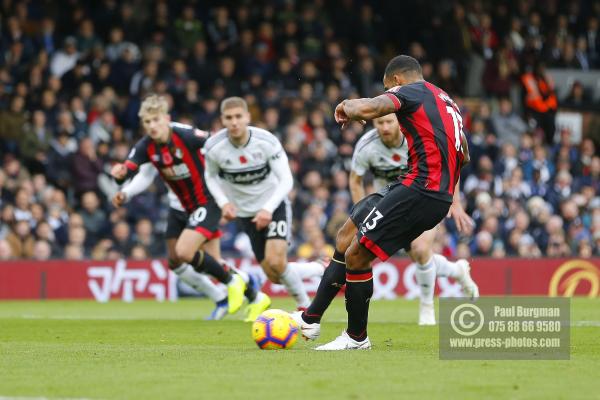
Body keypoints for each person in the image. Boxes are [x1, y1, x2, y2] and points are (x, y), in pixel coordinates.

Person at [314, 55, 472, 350]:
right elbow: (463, 153)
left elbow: (369, 107)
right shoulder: (446, 100)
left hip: (420, 188)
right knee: (355, 242)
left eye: (389, 88)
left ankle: (356, 338)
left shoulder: (410, 90)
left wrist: (346, 105)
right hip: (436, 194)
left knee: (357, 254)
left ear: (396, 81)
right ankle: (321, 321)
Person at [291, 113, 478, 336]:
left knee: (419, 250)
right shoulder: (367, 145)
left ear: (400, 121)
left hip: (420, 201)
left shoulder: (416, 140)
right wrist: (362, 213)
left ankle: (426, 308)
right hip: (387, 206)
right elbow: (356, 180)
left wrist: (455, 202)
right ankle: (456, 270)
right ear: (374, 123)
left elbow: (449, 164)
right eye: (380, 122)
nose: (386, 126)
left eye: (390, 121)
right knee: (360, 248)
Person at [111, 94, 270, 321]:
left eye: (156, 120)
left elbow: (218, 145)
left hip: (206, 201)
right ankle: (251, 293)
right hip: (180, 207)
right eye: (147, 122)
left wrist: (233, 188)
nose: (152, 126)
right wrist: (122, 182)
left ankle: (233, 282)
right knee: (192, 261)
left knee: (185, 253)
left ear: (166, 118)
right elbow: (133, 169)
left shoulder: (185, 135)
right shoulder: (146, 145)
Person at [204, 97, 323, 311]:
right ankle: (319, 268)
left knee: (277, 262)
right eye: (229, 118)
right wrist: (223, 202)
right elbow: (210, 177)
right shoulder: (214, 147)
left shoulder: (266, 141)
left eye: (239, 116)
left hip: (274, 206)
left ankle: (305, 308)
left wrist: (268, 208)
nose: (234, 122)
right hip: (245, 214)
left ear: (248, 117)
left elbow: (286, 180)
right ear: (222, 120)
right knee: (275, 276)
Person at [113, 162, 233, 320]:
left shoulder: (191, 140)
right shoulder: (151, 147)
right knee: (175, 260)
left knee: (204, 257)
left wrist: (223, 201)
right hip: (176, 207)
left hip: (201, 204)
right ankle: (221, 298)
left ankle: (245, 284)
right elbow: (145, 174)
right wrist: (126, 192)